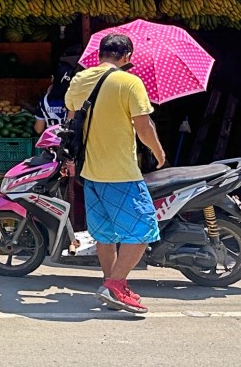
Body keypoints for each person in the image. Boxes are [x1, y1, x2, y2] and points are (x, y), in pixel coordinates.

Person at [64, 33, 165, 315]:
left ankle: (110, 285)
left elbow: (71, 122)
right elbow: (143, 126)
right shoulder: (129, 82)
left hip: (91, 171)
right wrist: (159, 153)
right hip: (121, 171)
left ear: (99, 55)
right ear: (127, 57)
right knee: (144, 229)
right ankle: (116, 286)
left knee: (105, 235)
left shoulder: (79, 80)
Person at [34, 61, 77, 135]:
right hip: (68, 143)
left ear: (53, 78)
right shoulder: (73, 99)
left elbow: (39, 129)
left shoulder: (44, 100)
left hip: (51, 144)